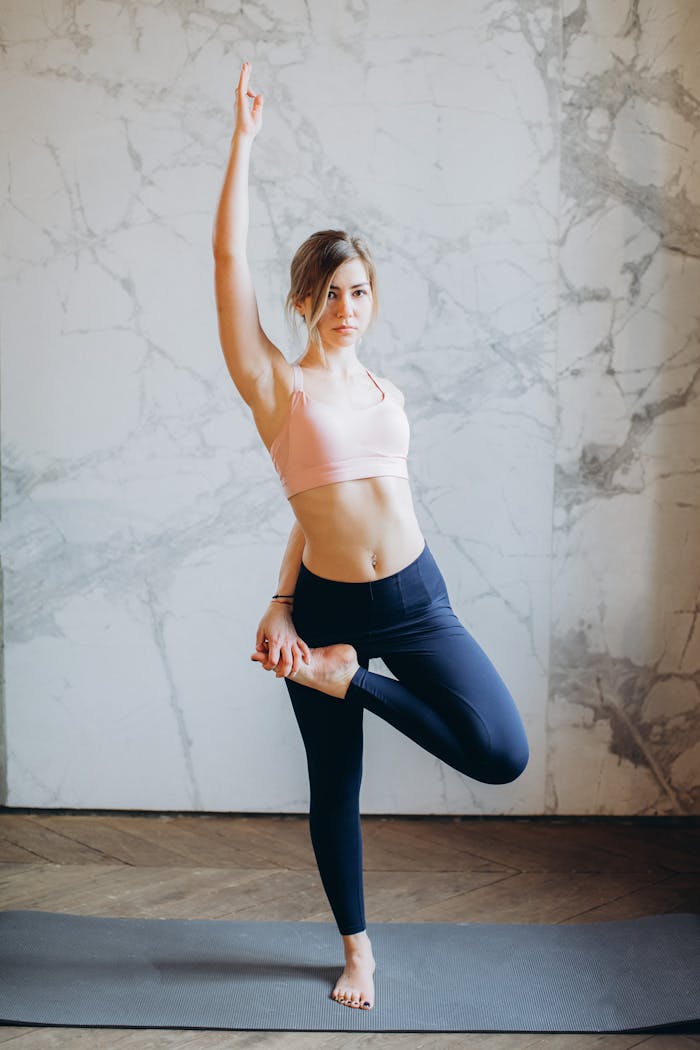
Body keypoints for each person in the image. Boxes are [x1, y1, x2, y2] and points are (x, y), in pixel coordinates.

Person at [212, 61, 529, 1013]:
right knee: (334, 786)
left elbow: (322, 508)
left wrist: (316, 633)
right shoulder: (281, 388)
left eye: (363, 292)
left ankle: (349, 677)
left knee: (500, 750)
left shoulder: (388, 393)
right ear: (304, 300)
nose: (351, 309)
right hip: (331, 604)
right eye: (334, 293)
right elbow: (229, 271)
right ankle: (358, 950)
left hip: (417, 601)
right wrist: (243, 147)